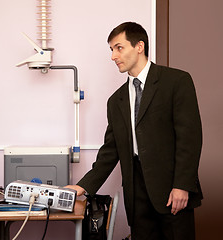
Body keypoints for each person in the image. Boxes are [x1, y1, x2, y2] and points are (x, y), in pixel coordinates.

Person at [66, 22, 203, 240]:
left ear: (139, 46)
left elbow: (190, 138)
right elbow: (111, 151)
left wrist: (182, 186)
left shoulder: (176, 81)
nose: (113, 56)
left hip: (172, 192)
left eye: (118, 48)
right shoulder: (116, 100)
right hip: (136, 195)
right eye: (111, 50)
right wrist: (83, 186)